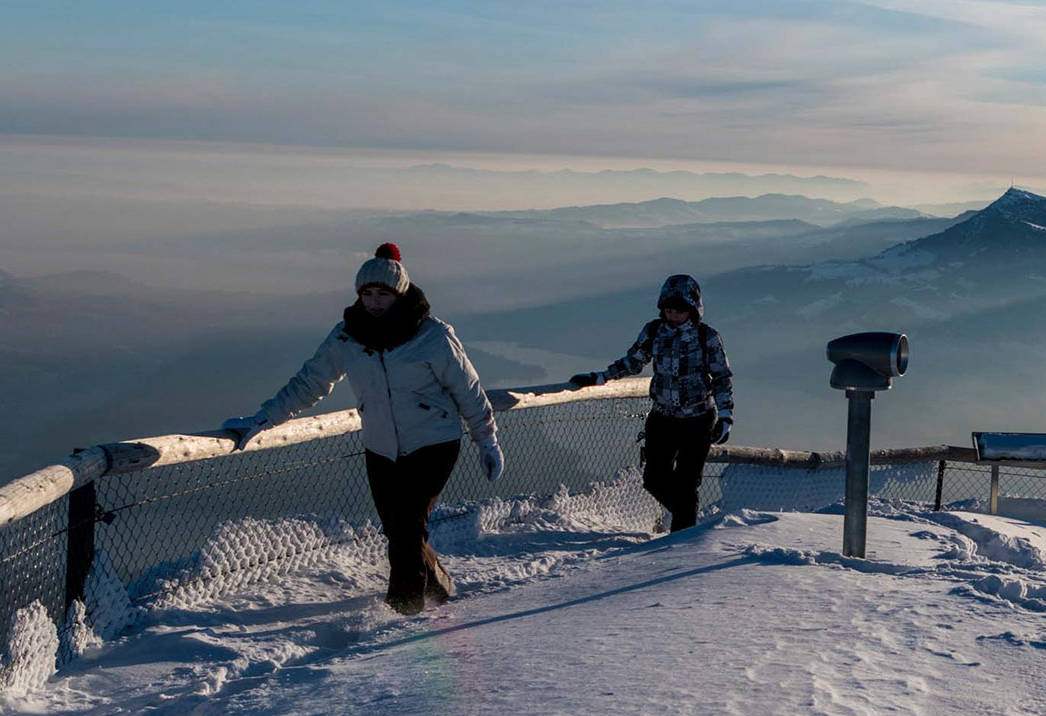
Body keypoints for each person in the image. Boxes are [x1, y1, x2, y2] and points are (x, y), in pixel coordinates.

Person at [224, 242, 501, 615]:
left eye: (382, 294)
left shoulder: (433, 336)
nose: (373, 302)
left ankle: (404, 613)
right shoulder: (347, 337)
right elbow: (310, 383)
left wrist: (487, 440)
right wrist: (263, 418)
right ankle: (438, 585)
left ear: (398, 293)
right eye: (367, 293)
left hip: (433, 442)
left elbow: (467, 389)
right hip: (381, 447)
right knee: (401, 531)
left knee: (406, 530)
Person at [568, 273, 731, 533]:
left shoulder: (706, 337)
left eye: (680, 310)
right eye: (669, 309)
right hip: (663, 418)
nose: (674, 315)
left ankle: (682, 543)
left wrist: (725, 415)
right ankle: (687, 522)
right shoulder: (654, 331)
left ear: (693, 309)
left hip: (698, 420)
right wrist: (600, 378)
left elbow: (721, 377)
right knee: (654, 479)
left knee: (688, 484)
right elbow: (633, 361)